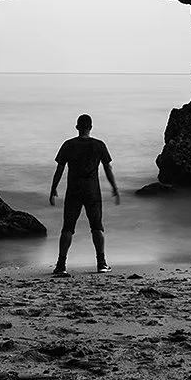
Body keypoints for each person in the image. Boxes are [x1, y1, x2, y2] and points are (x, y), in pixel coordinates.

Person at [48, 113, 120, 275]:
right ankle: (101, 263)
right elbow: (108, 168)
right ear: (91, 127)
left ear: (77, 127)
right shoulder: (99, 145)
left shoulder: (68, 145)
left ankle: (61, 265)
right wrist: (114, 187)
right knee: (96, 227)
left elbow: (59, 168)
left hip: (73, 190)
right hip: (92, 190)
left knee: (67, 227)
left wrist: (53, 188)